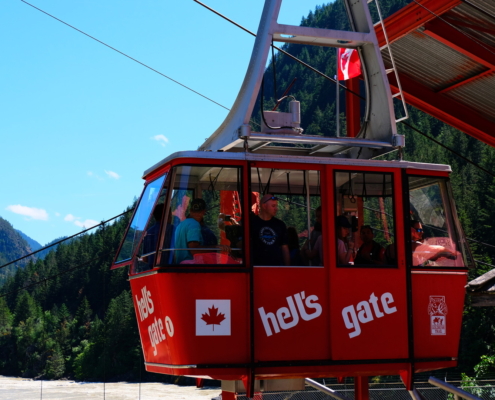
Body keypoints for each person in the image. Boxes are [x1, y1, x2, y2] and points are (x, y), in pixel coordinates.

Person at [173, 198, 229, 264]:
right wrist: (216, 247)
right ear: (204, 212)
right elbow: (194, 250)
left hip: (179, 266)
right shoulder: (194, 224)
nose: (197, 214)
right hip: (191, 267)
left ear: (190, 210)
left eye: (199, 212)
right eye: (196, 212)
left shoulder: (181, 224)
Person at [250, 194, 290, 266]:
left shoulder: (280, 225)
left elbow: (285, 248)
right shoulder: (251, 223)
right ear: (264, 206)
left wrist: (288, 268)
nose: (276, 208)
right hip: (256, 267)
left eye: (276, 206)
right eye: (273, 206)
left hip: (275, 267)